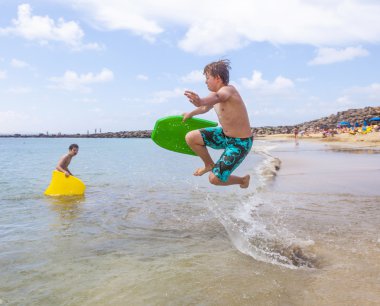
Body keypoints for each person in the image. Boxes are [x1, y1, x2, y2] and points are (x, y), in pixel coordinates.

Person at [183, 59, 253, 188]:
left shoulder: (228, 91)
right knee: (191, 137)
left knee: (214, 179)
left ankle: (242, 180)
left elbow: (218, 98)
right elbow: (204, 108)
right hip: (225, 136)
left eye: (207, 77)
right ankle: (209, 164)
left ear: (218, 78)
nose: (205, 81)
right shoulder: (214, 95)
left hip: (240, 143)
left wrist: (200, 100)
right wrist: (190, 113)